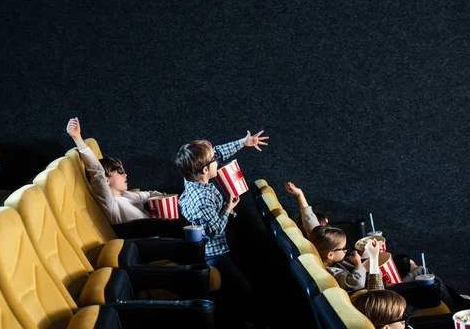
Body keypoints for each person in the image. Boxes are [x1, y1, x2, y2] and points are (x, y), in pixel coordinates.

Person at [285, 181, 470, 311]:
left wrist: (300, 196)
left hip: (377, 286)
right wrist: (367, 261)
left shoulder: (318, 252)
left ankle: (459, 300)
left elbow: (313, 229)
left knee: (418, 270)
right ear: (330, 254)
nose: (346, 249)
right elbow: (374, 290)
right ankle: (458, 308)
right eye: (342, 248)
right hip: (384, 293)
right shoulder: (335, 273)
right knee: (428, 277)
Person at [175, 130, 268, 329]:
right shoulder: (202, 200)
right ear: (203, 171)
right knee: (241, 290)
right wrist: (227, 208)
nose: (218, 160)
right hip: (214, 253)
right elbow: (214, 231)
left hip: (224, 243)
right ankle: (242, 323)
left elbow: (218, 151)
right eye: (213, 161)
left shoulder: (191, 177)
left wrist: (244, 142)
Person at [66, 117, 167, 224]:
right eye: (119, 171)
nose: (125, 175)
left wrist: (161, 196)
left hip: (160, 231)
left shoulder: (126, 195)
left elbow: (149, 194)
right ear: (106, 180)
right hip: (145, 238)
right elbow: (97, 172)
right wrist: (77, 138)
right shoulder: (110, 202)